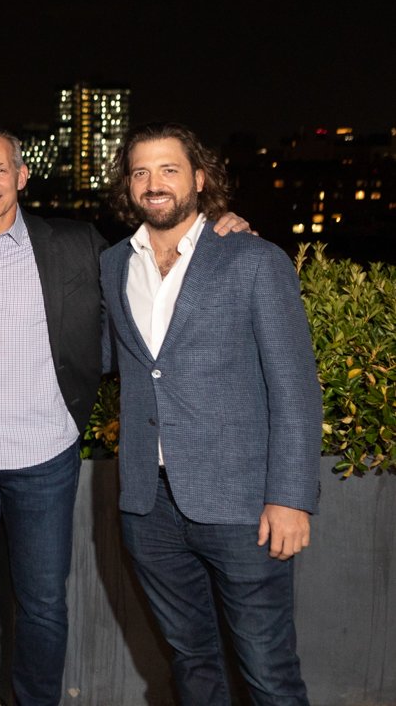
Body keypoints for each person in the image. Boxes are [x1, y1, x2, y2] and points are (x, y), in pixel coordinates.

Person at [0, 130, 251, 706]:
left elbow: (156, 261)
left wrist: (223, 229)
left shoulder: (75, 243)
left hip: (44, 450)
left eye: (1, 171)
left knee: (42, 602)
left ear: (22, 176)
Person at [101, 122, 321, 704]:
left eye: (169, 169)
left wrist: (292, 497)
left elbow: (295, 387)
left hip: (242, 505)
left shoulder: (252, 259)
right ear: (128, 186)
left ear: (199, 179)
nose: (154, 183)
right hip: (149, 507)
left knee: (268, 670)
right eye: (141, 171)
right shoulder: (112, 266)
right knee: (191, 664)